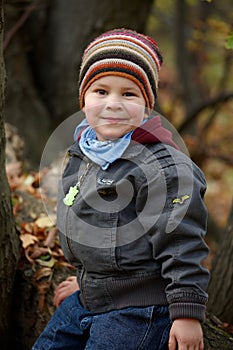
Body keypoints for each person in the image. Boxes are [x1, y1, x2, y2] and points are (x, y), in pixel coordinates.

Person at [32, 28, 210, 350]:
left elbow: (183, 243)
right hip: (90, 298)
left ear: (147, 104)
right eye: (101, 91)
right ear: (83, 99)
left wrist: (187, 313)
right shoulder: (83, 153)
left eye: (128, 94)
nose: (113, 103)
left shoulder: (164, 168)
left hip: (139, 310)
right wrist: (88, 283)